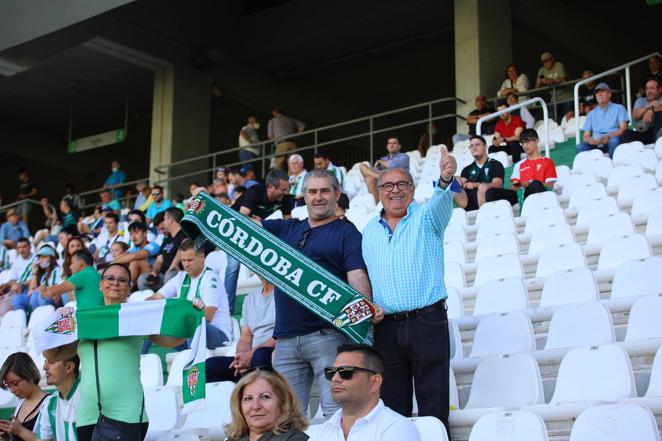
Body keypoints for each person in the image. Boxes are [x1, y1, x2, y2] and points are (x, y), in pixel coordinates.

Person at [260, 170, 375, 417]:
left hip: (327, 336)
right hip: (286, 340)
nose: (318, 197)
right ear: (305, 196)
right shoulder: (288, 227)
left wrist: (364, 313)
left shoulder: (347, 232)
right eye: (312, 191)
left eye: (324, 191)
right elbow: (243, 228)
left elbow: (357, 275)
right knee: (286, 419)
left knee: (336, 413)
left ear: (337, 194)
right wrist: (210, 207)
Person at [361, 152, 457, 436]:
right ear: (378, 192)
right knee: (391, 404)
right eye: (388, 185)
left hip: (427, 321)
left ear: (413, 190)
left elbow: (442, 200)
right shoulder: (368, 231)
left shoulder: (428, 217)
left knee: (434, 398)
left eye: (402, 184)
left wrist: (446, 179)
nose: (395, 190)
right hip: (386, 327)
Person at [63, 263, 201, 441]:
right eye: (109, 278)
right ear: (100, 284)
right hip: (87, 414)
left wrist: (193, 312)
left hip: (125, 413)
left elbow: (173, 340)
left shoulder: (137, 315)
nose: (115, 283)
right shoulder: (83, 319)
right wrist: (62, 323)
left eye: (122, 280)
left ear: (129, 287)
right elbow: (52, 355)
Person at [310, 344, 421, 441]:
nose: (335, 378)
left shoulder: (397, 429)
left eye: (346, 372)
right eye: (331, 372)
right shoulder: (323, 432)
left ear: (375, 382)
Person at [224, 169, 294, 315]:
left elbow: (289, 225)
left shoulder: (286, 198)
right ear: (270, 187)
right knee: (233, 267)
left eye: (287, 188)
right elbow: (241, 218)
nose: (286, 192)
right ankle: (227, 309)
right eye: (283, 189)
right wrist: (257, 221)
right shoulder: (255, 191)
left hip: (256, 230)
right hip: (234, 228)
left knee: (264, 267)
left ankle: (274, 306)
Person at [147, 239, 232, 350]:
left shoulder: (210, 278)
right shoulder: (181, 277)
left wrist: (177, 318)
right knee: (147, 324)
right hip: (188, 335)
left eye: (190, 260)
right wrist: (146, 308)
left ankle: (194, 366)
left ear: (202, 257)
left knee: (193, 326)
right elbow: (155, 298)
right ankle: (138, 362)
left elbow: (208, 315)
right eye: (183, 260)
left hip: (218, 336)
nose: (186, 264)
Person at [206, 277, 275, 382]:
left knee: (259, 356)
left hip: (275, 353)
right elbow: (245, 338)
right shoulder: (250, 298)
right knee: (210, 366)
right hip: (253, 356)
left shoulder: (285, 295)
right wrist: (241, 359)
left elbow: (281, 335)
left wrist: (250, 355)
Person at [224, 368, 309, 441]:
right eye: (248, 398)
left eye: (265, 397)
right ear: (239, 406)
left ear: (283, 402)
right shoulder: (233, 439)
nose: (256, 406)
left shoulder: (295, 438)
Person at [486, 129, 557, 206]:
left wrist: (530, 183)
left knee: (535, 185)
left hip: (540, 193)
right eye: (522, 143)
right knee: (491, 193)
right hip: (521, 193)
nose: (525, 146)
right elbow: (514, 186)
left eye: (527, 142)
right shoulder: (519, 164)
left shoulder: (547, 161)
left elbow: (549, 185)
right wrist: (520, 186)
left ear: (537, 141)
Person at [33, 343, 80, 441]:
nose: (44, 367)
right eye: (45, 361)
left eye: (51, 362)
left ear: (69, 367)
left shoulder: (85, 394)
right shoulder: (50, 403)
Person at [0, 352, 49, 441]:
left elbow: (48, 439)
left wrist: (20, 431)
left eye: (15, 384)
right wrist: (9, 436)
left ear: (29, 374)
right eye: (8, 386)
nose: (12, 390)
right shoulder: (21, 402)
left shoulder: (49, 403)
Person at [137, 207, 186, 291]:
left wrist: (173, 266)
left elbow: (184, 246)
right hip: (163, 275)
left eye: (164, 219)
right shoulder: (166, 239)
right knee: (142, 279)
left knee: (170, 276)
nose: (163, 222)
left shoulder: (185, 233)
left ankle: (169, 303)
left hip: (178, 273)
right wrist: (154, 273)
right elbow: (159, 260)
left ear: (170, 220)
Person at [575, 82, 629, 158]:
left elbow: (623, 129)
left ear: (609, 94)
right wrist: (590, 140)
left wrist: (609, 136)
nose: (599, 94)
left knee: (614, 141)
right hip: (596, 143)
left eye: (602, 92)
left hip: (611, 140)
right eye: (597, 93)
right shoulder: (591, 114)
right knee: (580, 146)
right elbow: (586, 136)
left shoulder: (619, 108)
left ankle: (614, 166)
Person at [454, 135, 505, 211]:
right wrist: (456, 180)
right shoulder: (466, 169)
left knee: (482, 188)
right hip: (468, 202)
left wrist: (477, 185)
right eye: (471, 146)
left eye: (477, 145)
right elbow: (462, 183)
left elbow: (498, 184)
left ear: (485, 147)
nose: (474, 148)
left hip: (489, 200)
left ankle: (484, 214)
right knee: (452, 183)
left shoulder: (495, 164)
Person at [12, 245, 62, 312]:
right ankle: (24, 320)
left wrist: (38, 290)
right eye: (39, 257)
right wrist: (34, 273)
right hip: (37, 298)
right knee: (17, 299)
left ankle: (35, 319)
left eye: (44, 256)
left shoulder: (56, 269)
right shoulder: (41, 272)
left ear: (52, 258)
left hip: (51, 299)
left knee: (35, 295)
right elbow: (31, 290)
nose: (41, 259)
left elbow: (54, 288)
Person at [359, 138, 410, 202]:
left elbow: (392, 165)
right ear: (387, 146)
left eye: (394, 143)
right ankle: (377, 204)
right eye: (389, 143)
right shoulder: (383, 159)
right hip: (382, 179)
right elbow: (373, 170)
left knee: (370, 177)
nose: (391, 145)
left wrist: (381, 162)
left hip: (397, 180)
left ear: (399, 146)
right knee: (364, 169)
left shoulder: (404, 156)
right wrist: (376, 168)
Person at [620, 78, 662, 145]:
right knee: (626, 134)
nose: (649, 91)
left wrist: (651, 111)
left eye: (652, 88)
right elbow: (635, 115)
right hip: (644, 132)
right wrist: (648, 107)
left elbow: (660, 108)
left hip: (658, 132)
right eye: (647, 89)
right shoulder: (640, 101)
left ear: (659, 90)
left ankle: (659, 144)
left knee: (660, 114)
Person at [535, 51, 573, 120]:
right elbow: (538, 84)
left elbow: (562, 79)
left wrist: (551, 81)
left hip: (567, 96)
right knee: (551, 117)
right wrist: (543, 81)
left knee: (565, 118)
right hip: (554, 98)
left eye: (547, 60)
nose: (545, 63)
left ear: (552, 59)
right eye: (543, 62)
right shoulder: (542, 70)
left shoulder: (558, 65)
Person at [268, 107, 305, 171]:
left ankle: (279, 180)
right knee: (293, 164)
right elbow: (303, 125)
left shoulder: (272, 121)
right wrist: (296, 134)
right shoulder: (290, 119)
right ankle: (291, 179)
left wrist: (275, 139)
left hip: (281, 144)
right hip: (293, 143)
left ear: (275, 112)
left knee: (278, 164)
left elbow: (270, 136)